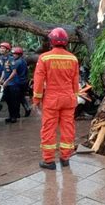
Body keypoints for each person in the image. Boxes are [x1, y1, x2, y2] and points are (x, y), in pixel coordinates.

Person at [33, 27, 79, 170]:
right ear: (66, 41)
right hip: (68, 98)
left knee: (49, 129)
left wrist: (36, 99)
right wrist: (75, 97)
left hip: (52, 99)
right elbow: (75, 81)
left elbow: (39, 81)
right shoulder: (73, 58)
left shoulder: (45, 58)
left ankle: (49, 161)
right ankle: (65, 158)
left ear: (51, 41)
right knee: (68, 128)